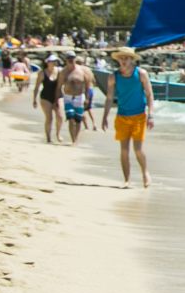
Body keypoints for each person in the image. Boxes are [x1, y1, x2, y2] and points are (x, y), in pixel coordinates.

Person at [101, 46, 155, 187]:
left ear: (132, 60)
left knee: (137, 150)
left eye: (126, 58)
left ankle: (145, 173)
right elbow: (109, 98)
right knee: (124, 150)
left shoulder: (141, 74)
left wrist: (151, 115)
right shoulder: (113, 77)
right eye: (121, 58)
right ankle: (127, 180)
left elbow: (149, 94)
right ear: (118, 60)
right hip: (122, 116)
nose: (123, 61)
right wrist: (105, 116)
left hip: (139, 116)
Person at [59, 54, 97, 144]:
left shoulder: (83, 70)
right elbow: (59, 86)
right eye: (69, 58)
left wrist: (87, 98)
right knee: (71, 119)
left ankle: (75, 139)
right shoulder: (64, 72)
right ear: (66, 60)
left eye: (72, 58)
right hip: (68, 97)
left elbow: (88, 85)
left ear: (75, 59)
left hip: (79, 97)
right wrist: (57, 98)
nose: (71, 60)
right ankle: (73, 139)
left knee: (78, 120)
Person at [33, 55, 64, 143]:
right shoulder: (42, 73)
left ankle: (58, 134)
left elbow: (66, 82)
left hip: (58, 96)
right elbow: (36, 87)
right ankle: (48, 138)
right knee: (49, 118)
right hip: (46, 97)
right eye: (52, 61)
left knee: (60, 116)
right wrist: (34, 100)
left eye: (55, 61)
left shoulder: (60, 71)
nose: (54, 63)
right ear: (47, 62)